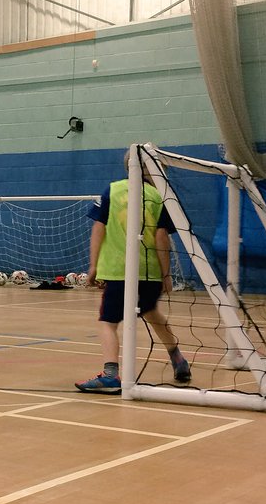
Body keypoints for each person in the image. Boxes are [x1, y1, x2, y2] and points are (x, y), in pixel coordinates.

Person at [75, 153, 191, 395]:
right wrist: (166, 274)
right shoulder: (161, 196)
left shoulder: (112, 190)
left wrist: (93, 265)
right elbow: (162, 238)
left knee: (108, 322)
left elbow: (99, 227)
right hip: (149, 272)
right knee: (151, 312)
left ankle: (109, 376)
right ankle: (178, 359)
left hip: (119, 272)